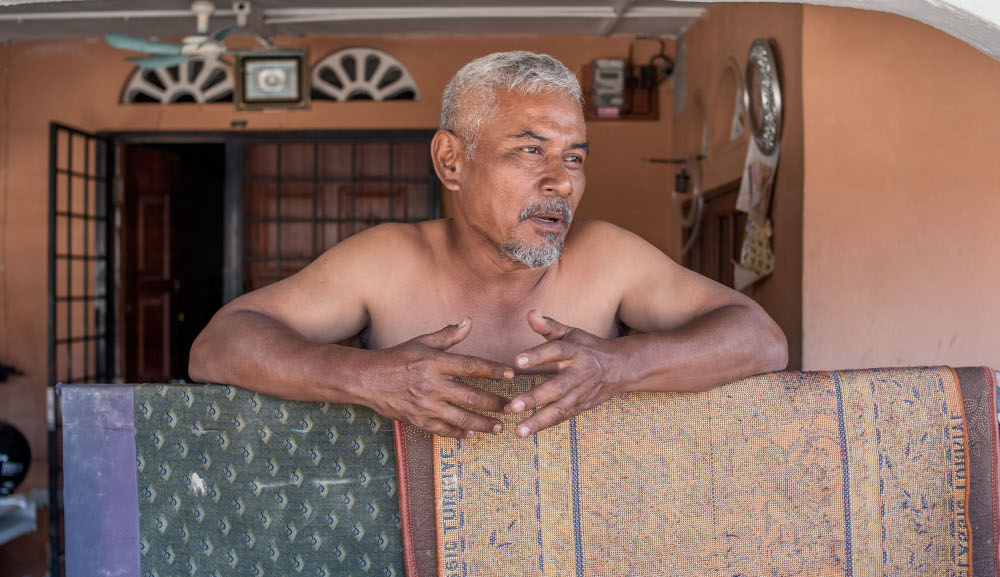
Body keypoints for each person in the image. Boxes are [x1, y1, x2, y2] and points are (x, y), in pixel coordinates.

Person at [189, 51, 787, 440]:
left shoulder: (607, 256)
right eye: (530, 151)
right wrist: (366, 378)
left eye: (574, 156)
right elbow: (217, 346)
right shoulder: (385, 261)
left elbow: (761, 339)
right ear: (452, 161)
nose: (561, 180)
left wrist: (620, 366)